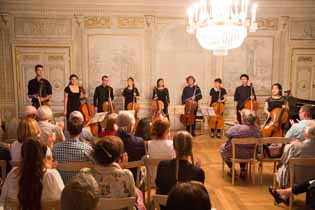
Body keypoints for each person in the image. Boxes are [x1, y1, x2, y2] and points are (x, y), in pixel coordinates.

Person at [0, 139, 64, 208]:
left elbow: (2, 202)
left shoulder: (13, 174)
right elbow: (64, 201)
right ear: (42, 156)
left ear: (22, 155)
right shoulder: (51, 175)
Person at [155, 131, 205, 196]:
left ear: (174, 147)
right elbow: (198, 195)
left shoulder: (162, 165)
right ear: (190, 149)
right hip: (187, 206)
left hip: (165, 205)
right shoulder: (199, 172)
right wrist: (196, 170)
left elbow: (158, 185)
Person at [53, 116, 94, 185]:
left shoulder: (55, 148)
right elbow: (95, 165)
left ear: (67, 130)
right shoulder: (87, 149)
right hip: (81, 186)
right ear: (81, 131)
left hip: (62, 186)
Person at [220, 109, 260, 178]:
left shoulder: (237, 128)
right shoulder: (257, 129)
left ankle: (232, 169)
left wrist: (235, 126)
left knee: (222, 148)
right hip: (250, 155)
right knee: (244, 147)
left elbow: (227, 134)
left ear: (244, 119)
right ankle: (243, 170)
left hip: (234, 154)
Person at [276, 121, 315, 188]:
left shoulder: (294, 146)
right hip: (313, 179)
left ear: (305, 135)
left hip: (294, 177)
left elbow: (283, 161)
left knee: (281, 167)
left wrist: (292, 145)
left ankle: (285, 193)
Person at [116, 111, 145, 179]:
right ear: (131, 125)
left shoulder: (112, 142)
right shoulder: (140, 141)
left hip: (116, 178)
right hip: (135, 178)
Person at [147, 119, 175, 185]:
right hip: (170, 179)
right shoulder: (173, 144)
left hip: (153, 179)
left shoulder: (148, 144)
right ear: (167, 131)